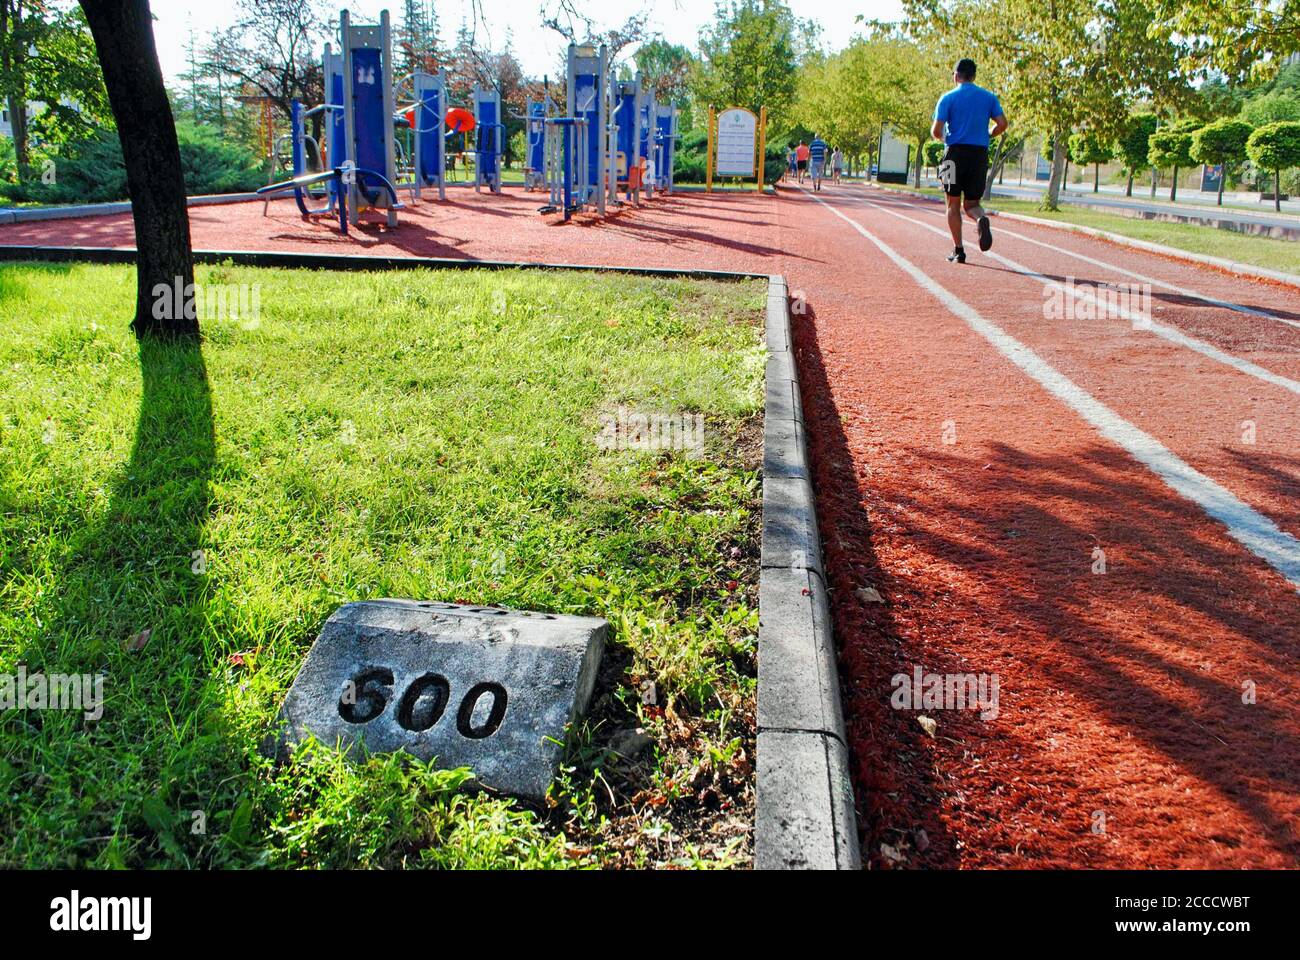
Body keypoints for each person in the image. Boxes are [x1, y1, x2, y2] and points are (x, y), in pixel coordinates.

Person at [930, 57, 1008, 263]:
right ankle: (981, 218)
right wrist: (990, 133)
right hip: (978, 155)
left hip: (953, 154)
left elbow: (936, 131)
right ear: (974, 76)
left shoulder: (947, 98)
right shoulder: (989, 98)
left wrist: (948, 138)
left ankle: (959, 250)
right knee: (972, 203)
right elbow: (1002, 123)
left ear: (955, 76)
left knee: (952, 204)